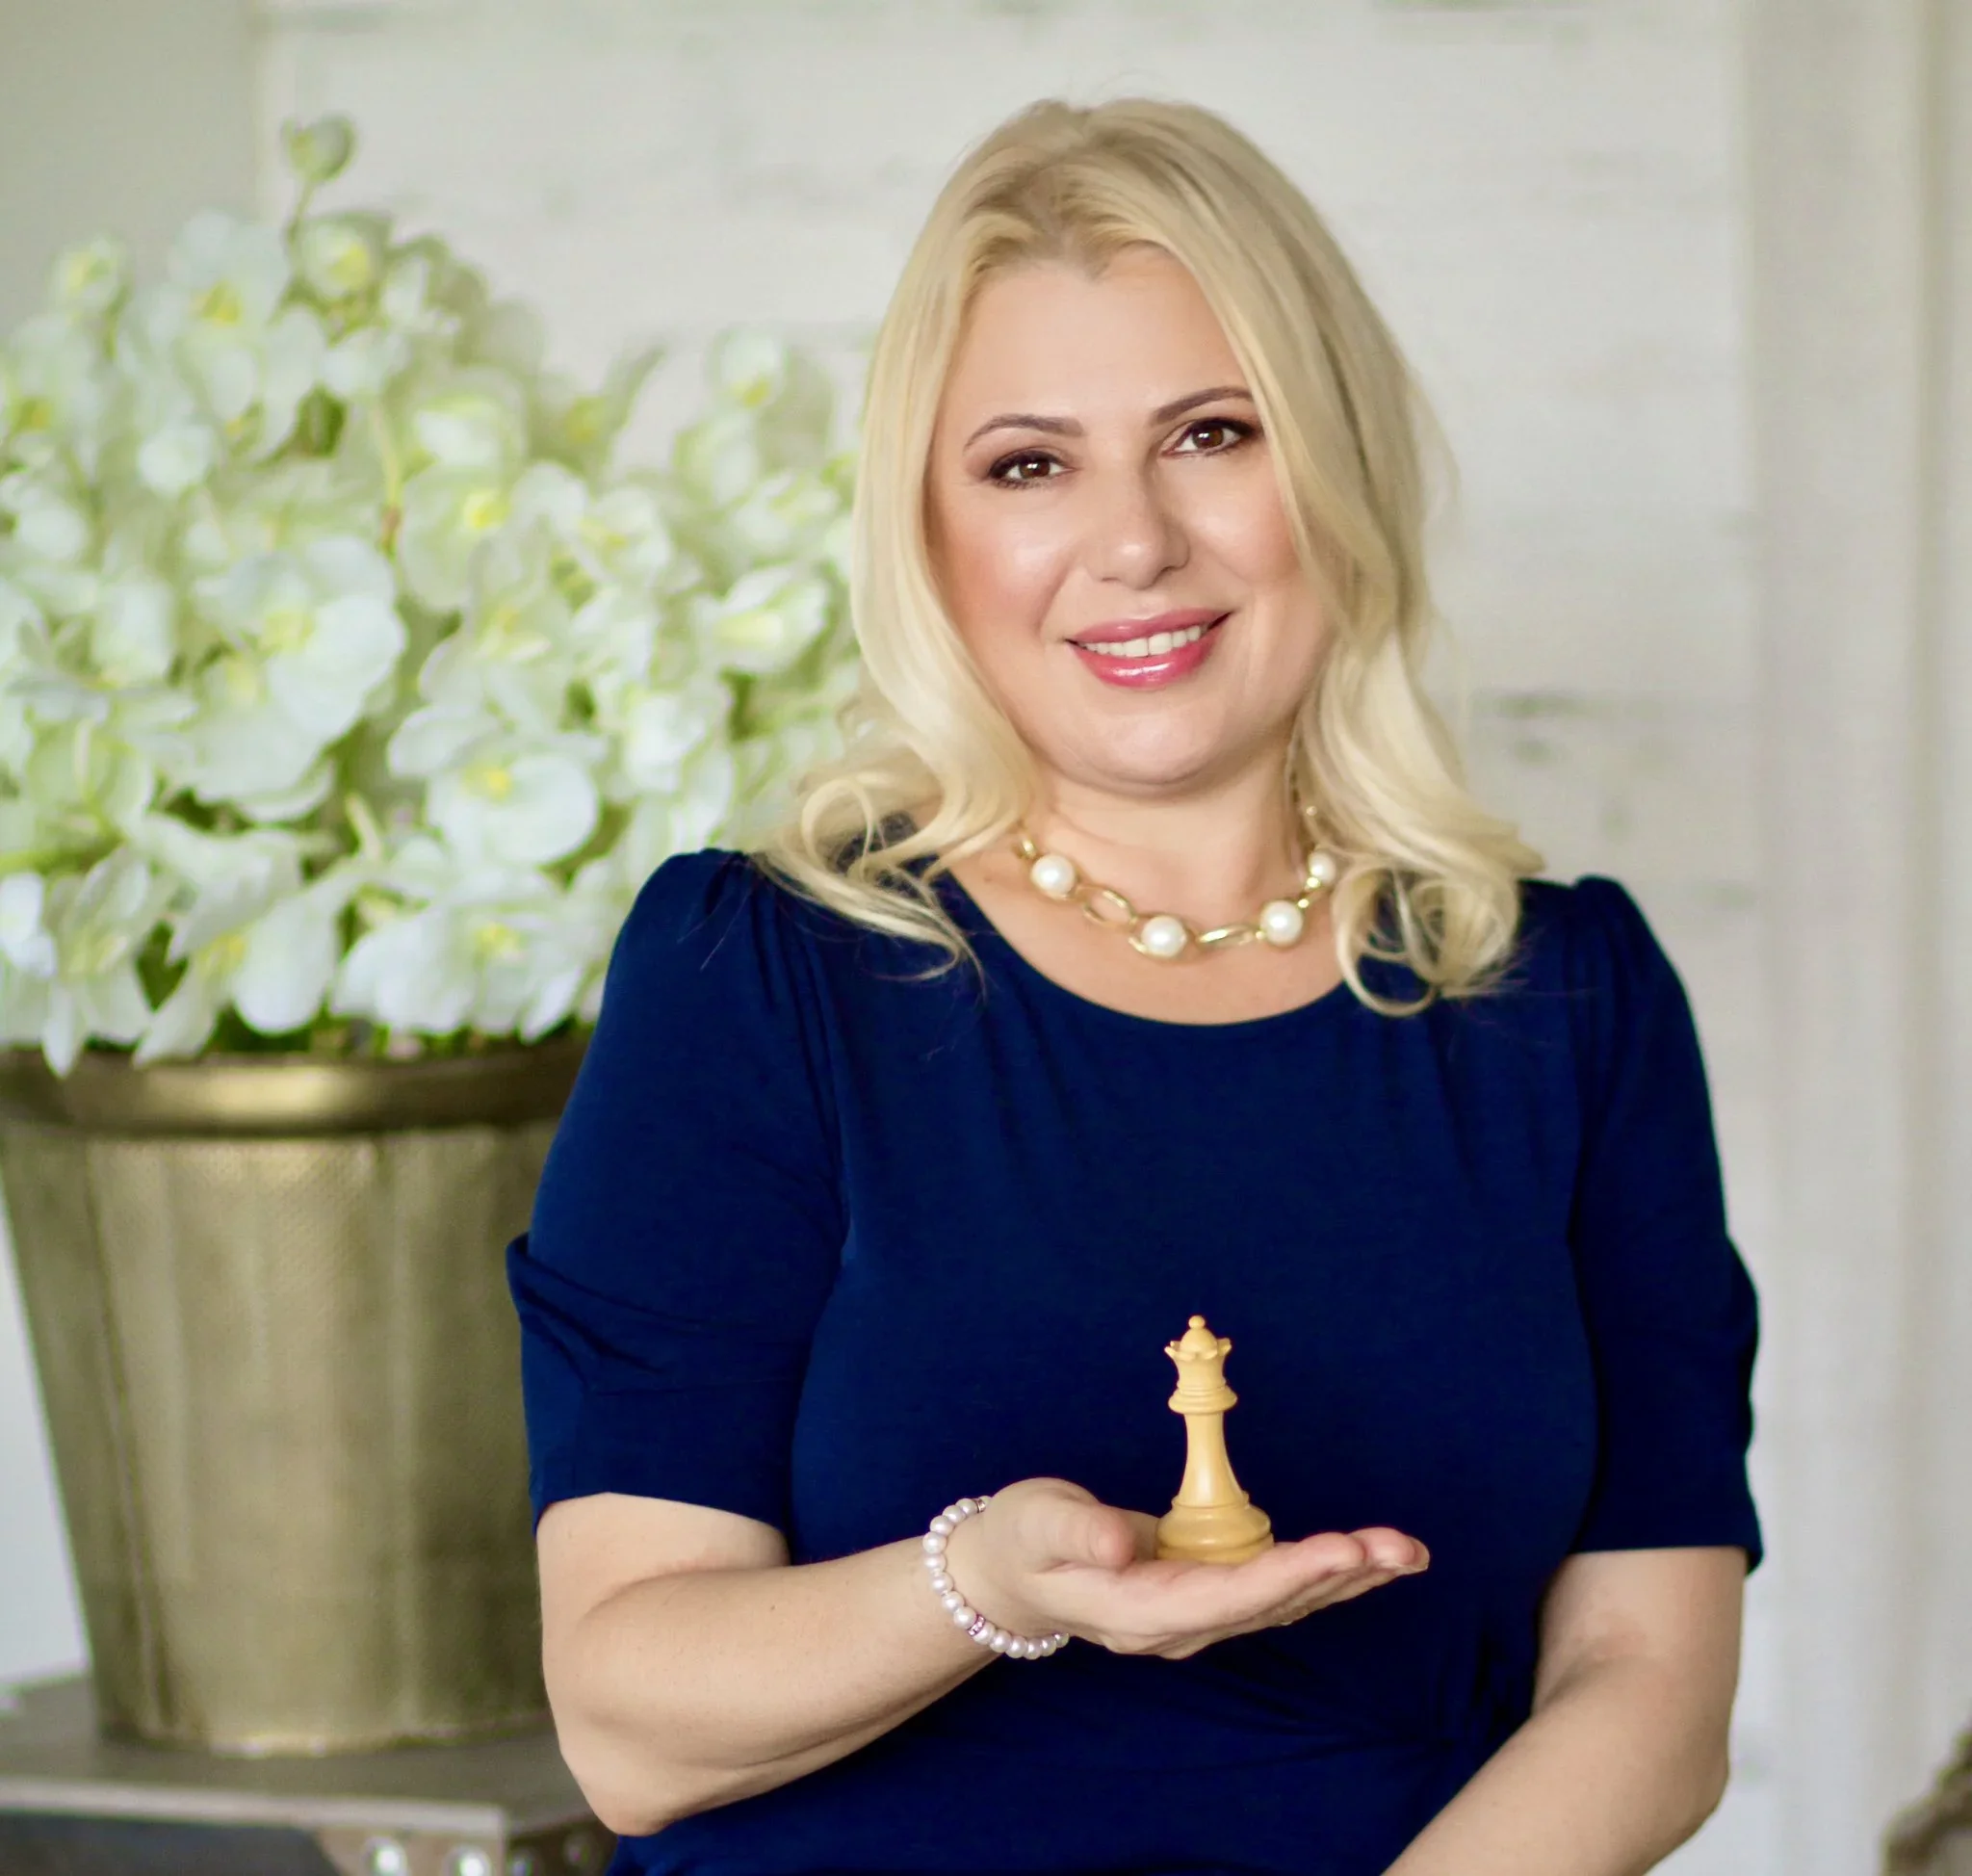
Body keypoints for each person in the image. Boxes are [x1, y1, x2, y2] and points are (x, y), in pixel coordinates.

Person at [506, 94, 1761, 1876]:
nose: (1135, 541)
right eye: (1029, 464)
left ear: (1331, 467)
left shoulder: (1568, 997)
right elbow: (629, 1724)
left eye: (1213, 434)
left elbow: (1650, 1678)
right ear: (932, 535)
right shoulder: (761, 977)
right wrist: (990, 1587)